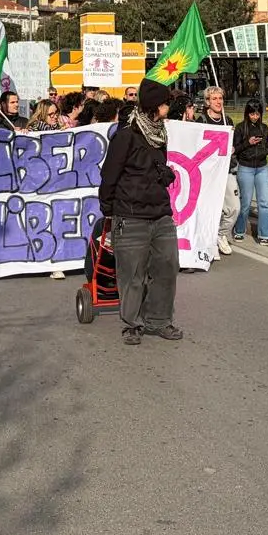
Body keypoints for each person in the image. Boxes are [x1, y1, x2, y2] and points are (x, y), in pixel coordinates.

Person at [98, 78, 182, 345]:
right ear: (155, 106)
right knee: (132, 274)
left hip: (160, 213)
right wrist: (109, 209)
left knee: (167, 266)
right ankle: (132, 324)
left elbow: (154, 167)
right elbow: (109, 175)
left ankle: (159, 320)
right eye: (166, 103)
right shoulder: (125, 136)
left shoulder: (159, 135)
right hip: (130, 215)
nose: (169, 107)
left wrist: (164, 174)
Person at [200, 86, 240, 257]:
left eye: (220, 98)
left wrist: (232, 148)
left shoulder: (227, 120)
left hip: (227, 170)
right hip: (209, 172)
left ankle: (221, 234)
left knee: (234, 207)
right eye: (214, 99)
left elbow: (233, 143)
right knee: (210, 209)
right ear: (207, 102)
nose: (218, 102)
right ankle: (209, 242)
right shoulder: (201, 120)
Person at [231, 99, 268, 246]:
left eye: (257, 114)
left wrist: (263, 151)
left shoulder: (264, 128)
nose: (255, 117)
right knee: (245, 202)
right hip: (246, 168)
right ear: (247, 113)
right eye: (252, 114)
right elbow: (234, 149)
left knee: (264, 202)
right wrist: (248, 143)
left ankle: (265, 235)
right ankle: (239, 230)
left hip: (262, 167)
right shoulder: (240, 128)